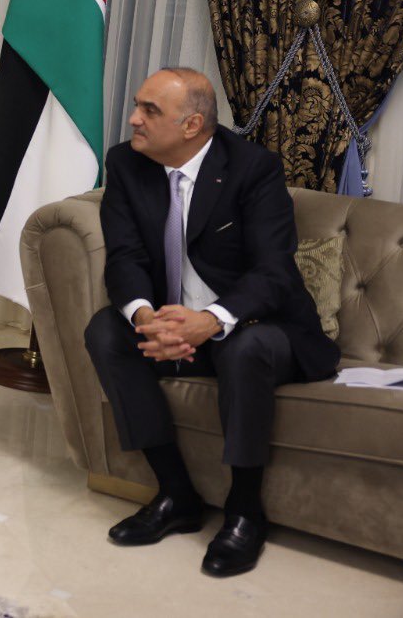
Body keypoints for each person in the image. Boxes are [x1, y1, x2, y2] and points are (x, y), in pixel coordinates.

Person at [83, 68, 339, 577]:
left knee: (244, 348)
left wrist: (209, 321)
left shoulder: (252, 168)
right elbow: (125, 257)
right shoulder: (126, 163)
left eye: (150, 110)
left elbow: (273, 272)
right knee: (106, 331)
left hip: (258, 326)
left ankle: (245, 512)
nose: (133, 119)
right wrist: (148, 319)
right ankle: (175, 494)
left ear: (192, 125)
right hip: (175, 322)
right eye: (137, 105)